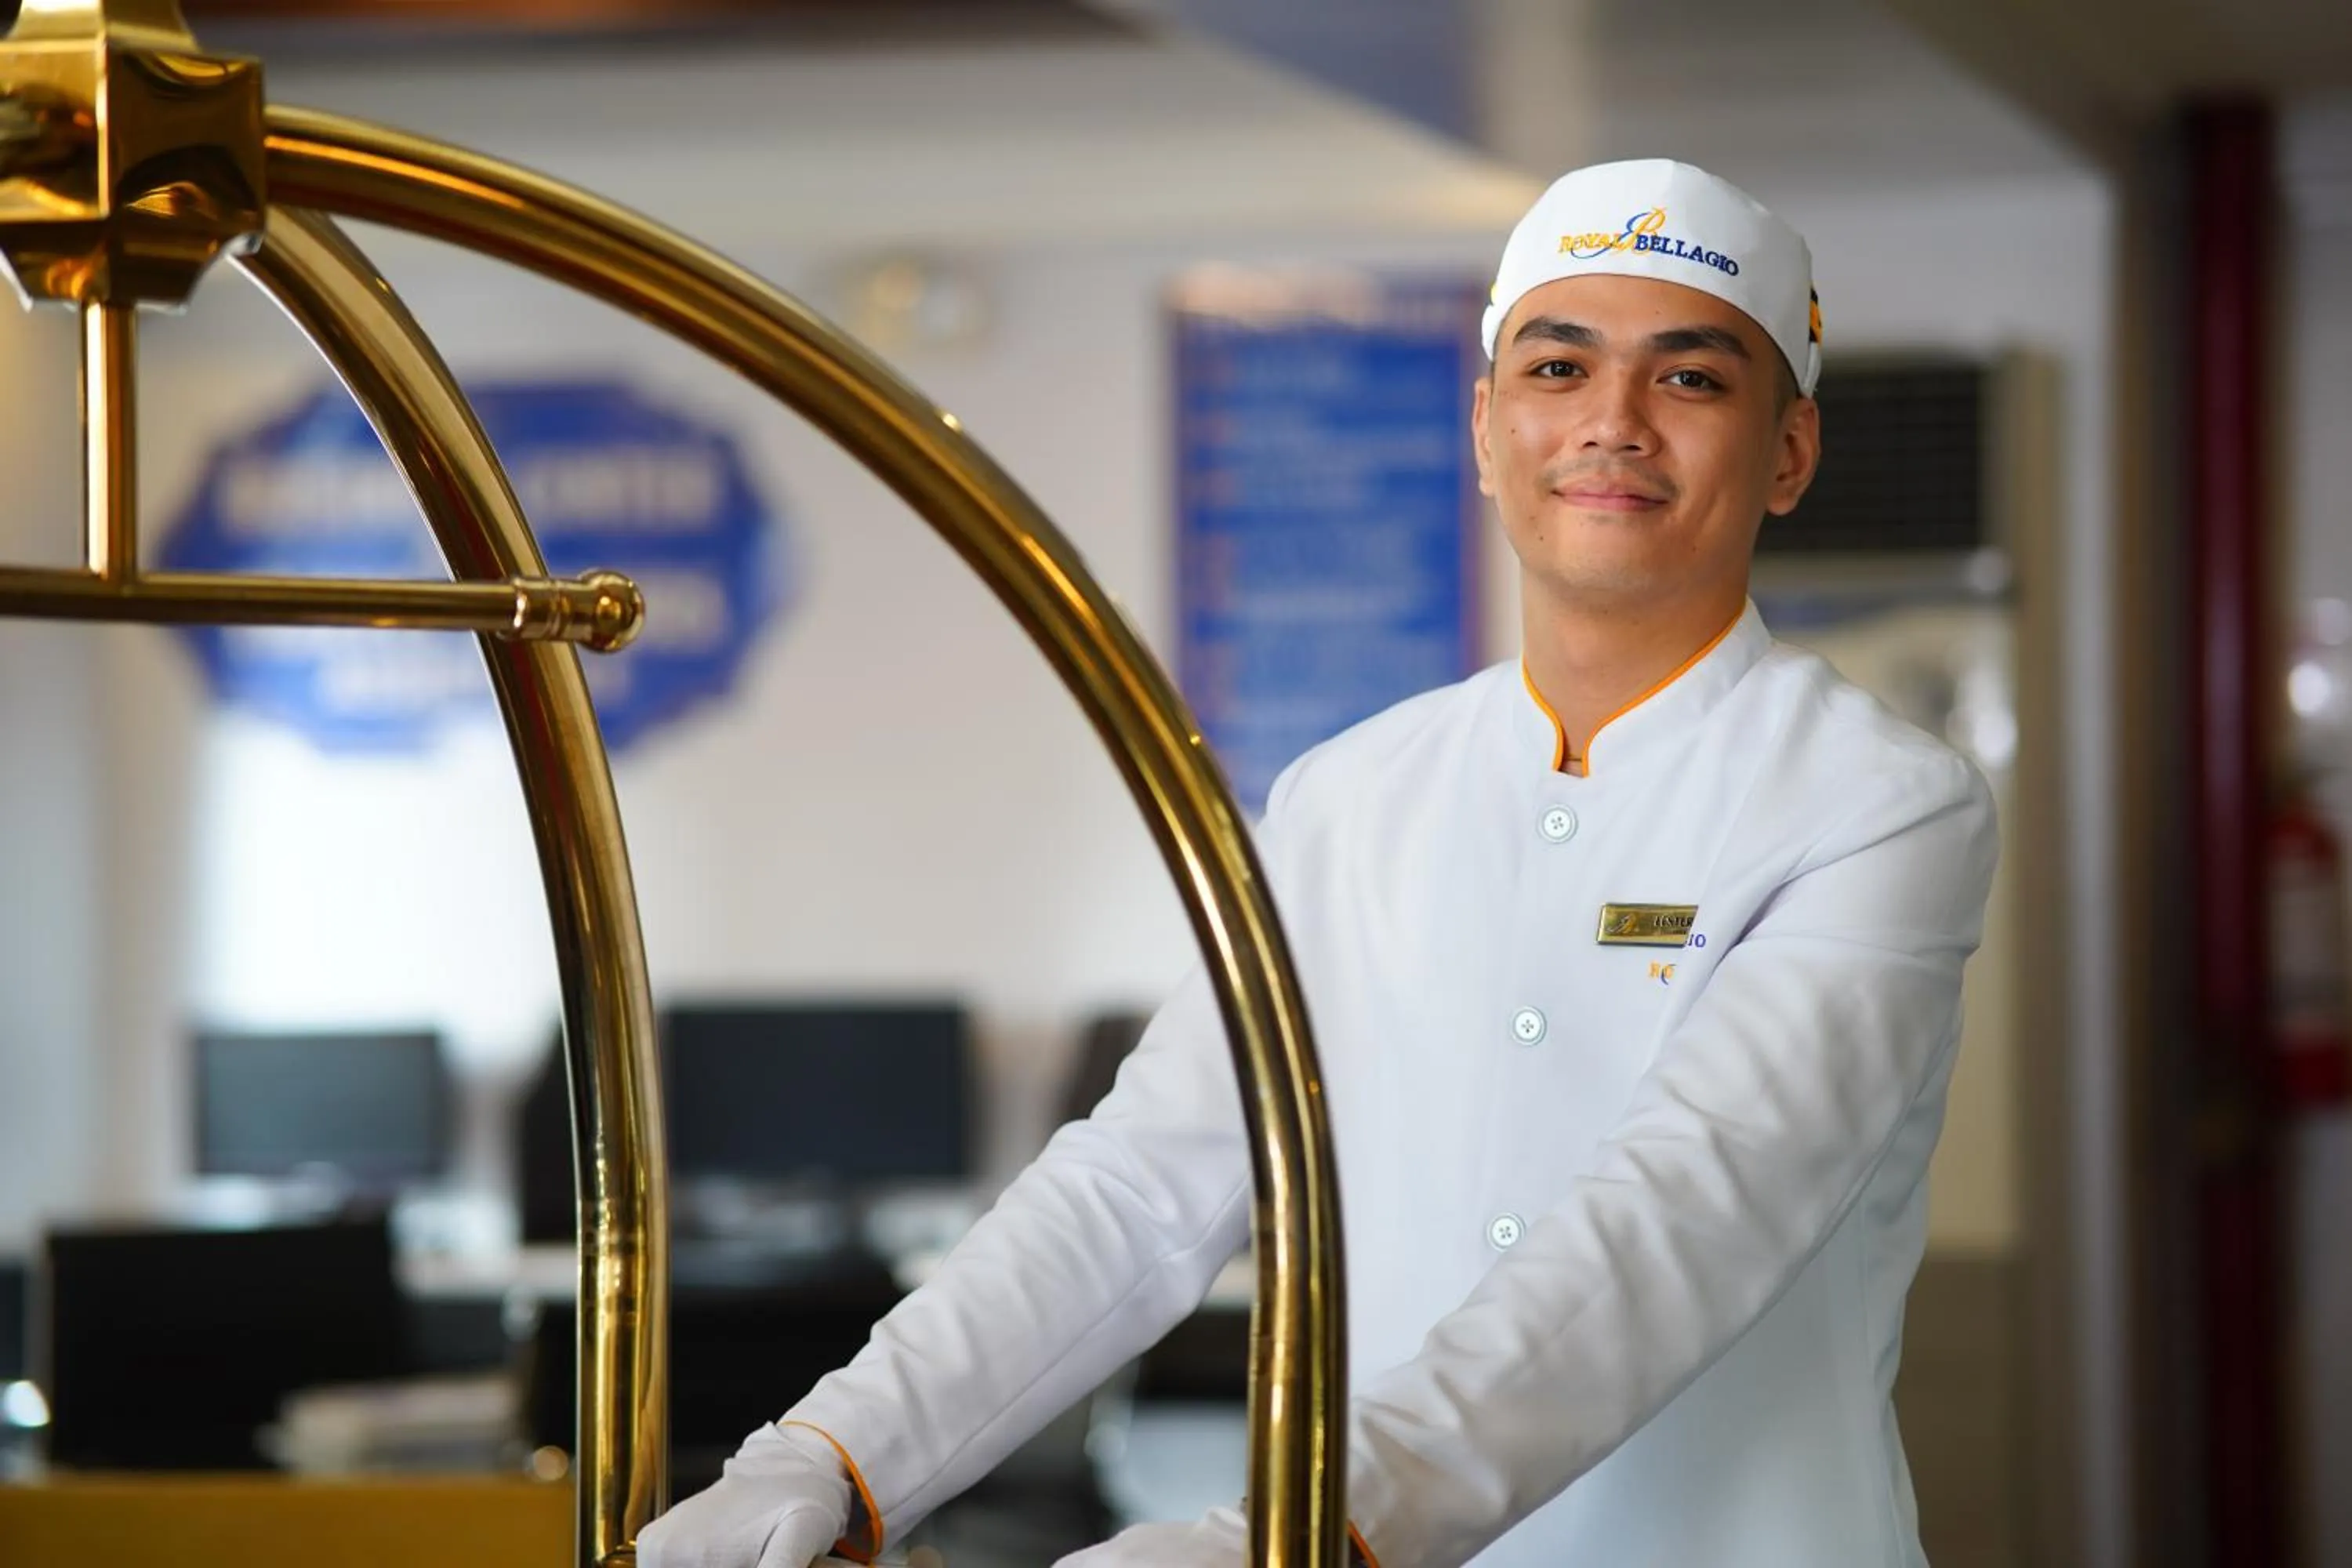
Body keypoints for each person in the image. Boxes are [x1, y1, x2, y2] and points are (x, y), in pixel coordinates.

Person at [638, 158, 2001, 1568]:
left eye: (1692, 380)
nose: (1612, 423)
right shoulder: (1352, 797)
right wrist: (833, 1455)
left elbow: (1691, 1216)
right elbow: (1143, 1185)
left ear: (1789, 452)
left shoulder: (1878, 806)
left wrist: (1298, 1537)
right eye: (1557, 364)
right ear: (1487, 427)